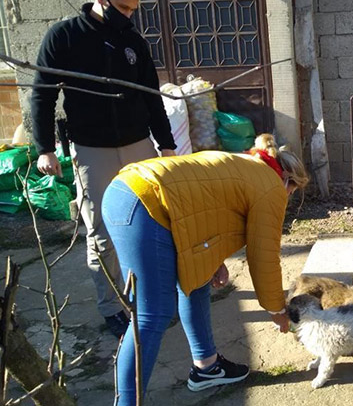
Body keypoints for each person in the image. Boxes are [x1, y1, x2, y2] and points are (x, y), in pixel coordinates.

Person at [101, 134, 308, 405]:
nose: (288, 199)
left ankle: (207, 367)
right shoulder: (271, 186)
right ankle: (126, 402)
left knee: (196, 279)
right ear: (288, 181)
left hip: (124, 192)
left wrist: (215, 260)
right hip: (144, 204)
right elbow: (264, 256)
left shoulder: (244, 164)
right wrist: (277, 309)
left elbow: (204, 209)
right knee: (152, 315)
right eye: (291, 193)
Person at [30, 0, 176, 338]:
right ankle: (113, 308)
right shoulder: (63, 37)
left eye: (133, 10)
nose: (128, 16)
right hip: (92, 150)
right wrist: (45, 148)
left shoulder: (133, 42)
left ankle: (149, 295)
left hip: (139, 146)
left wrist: (166, 143)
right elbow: (42, 95)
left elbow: (150, 95)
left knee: (151, 221)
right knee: (102, 231)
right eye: (123, 7)